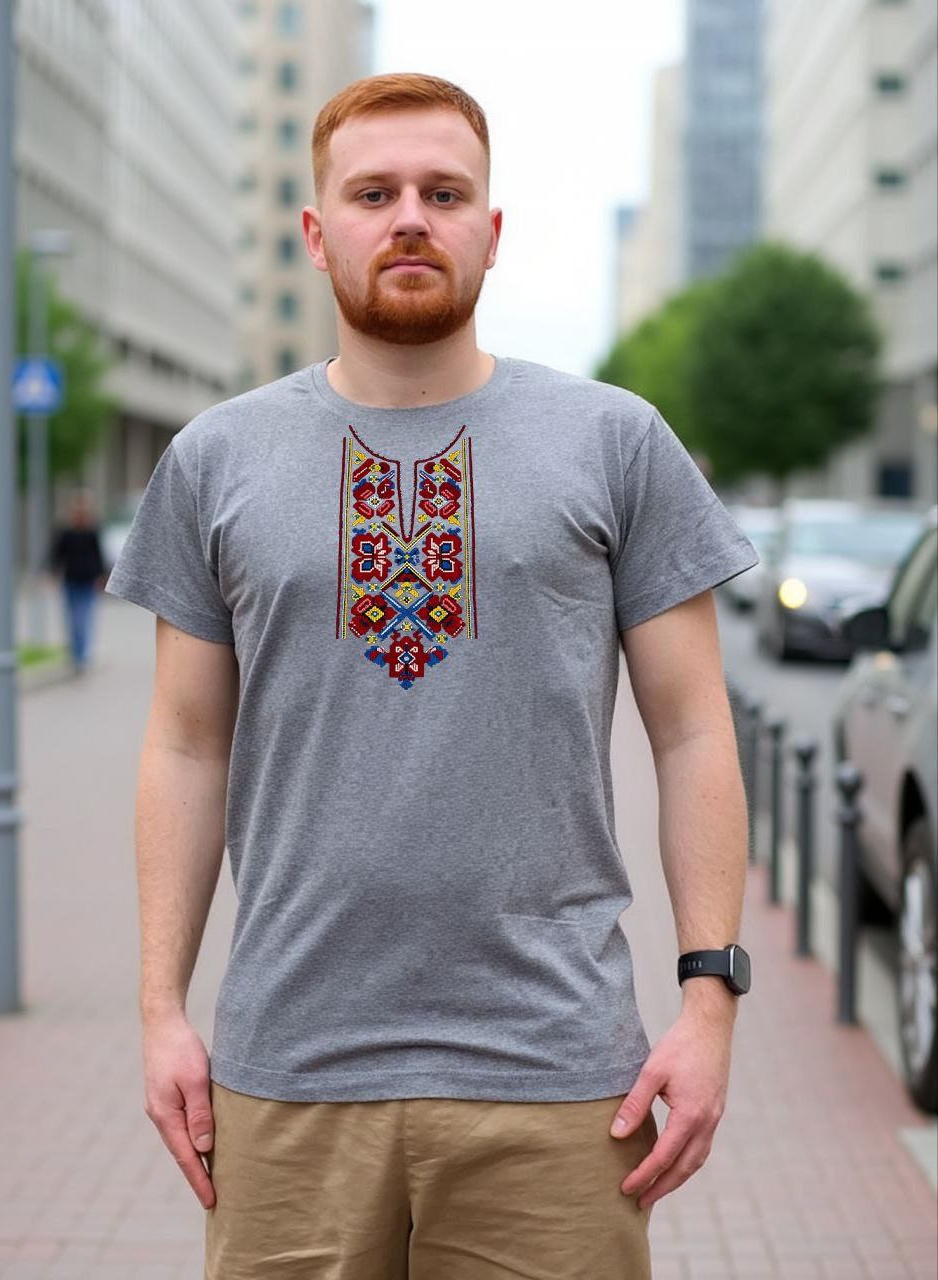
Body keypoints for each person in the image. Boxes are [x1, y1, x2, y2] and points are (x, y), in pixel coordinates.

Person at [105, 73, 759, 1280]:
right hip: (289, 1072)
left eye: (444, 193)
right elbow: (185, 746)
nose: (410, 216)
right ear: (317, 234)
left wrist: (709, 997)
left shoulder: (616, 442)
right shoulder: (213, 459)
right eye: (374, 194)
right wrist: (159, 1010)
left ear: (491, 231)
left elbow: (693, 731)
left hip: (558, 1076)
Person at [49, 487, 106, 675]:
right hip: (71, 581)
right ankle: (75, 652)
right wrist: (52, 574)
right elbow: (57, 556)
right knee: (72, 619)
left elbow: (98, 556)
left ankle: (81, 655)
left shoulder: (92, 533)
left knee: (83, 618)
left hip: (87, 582)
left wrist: (100, 576)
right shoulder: (66, 533)